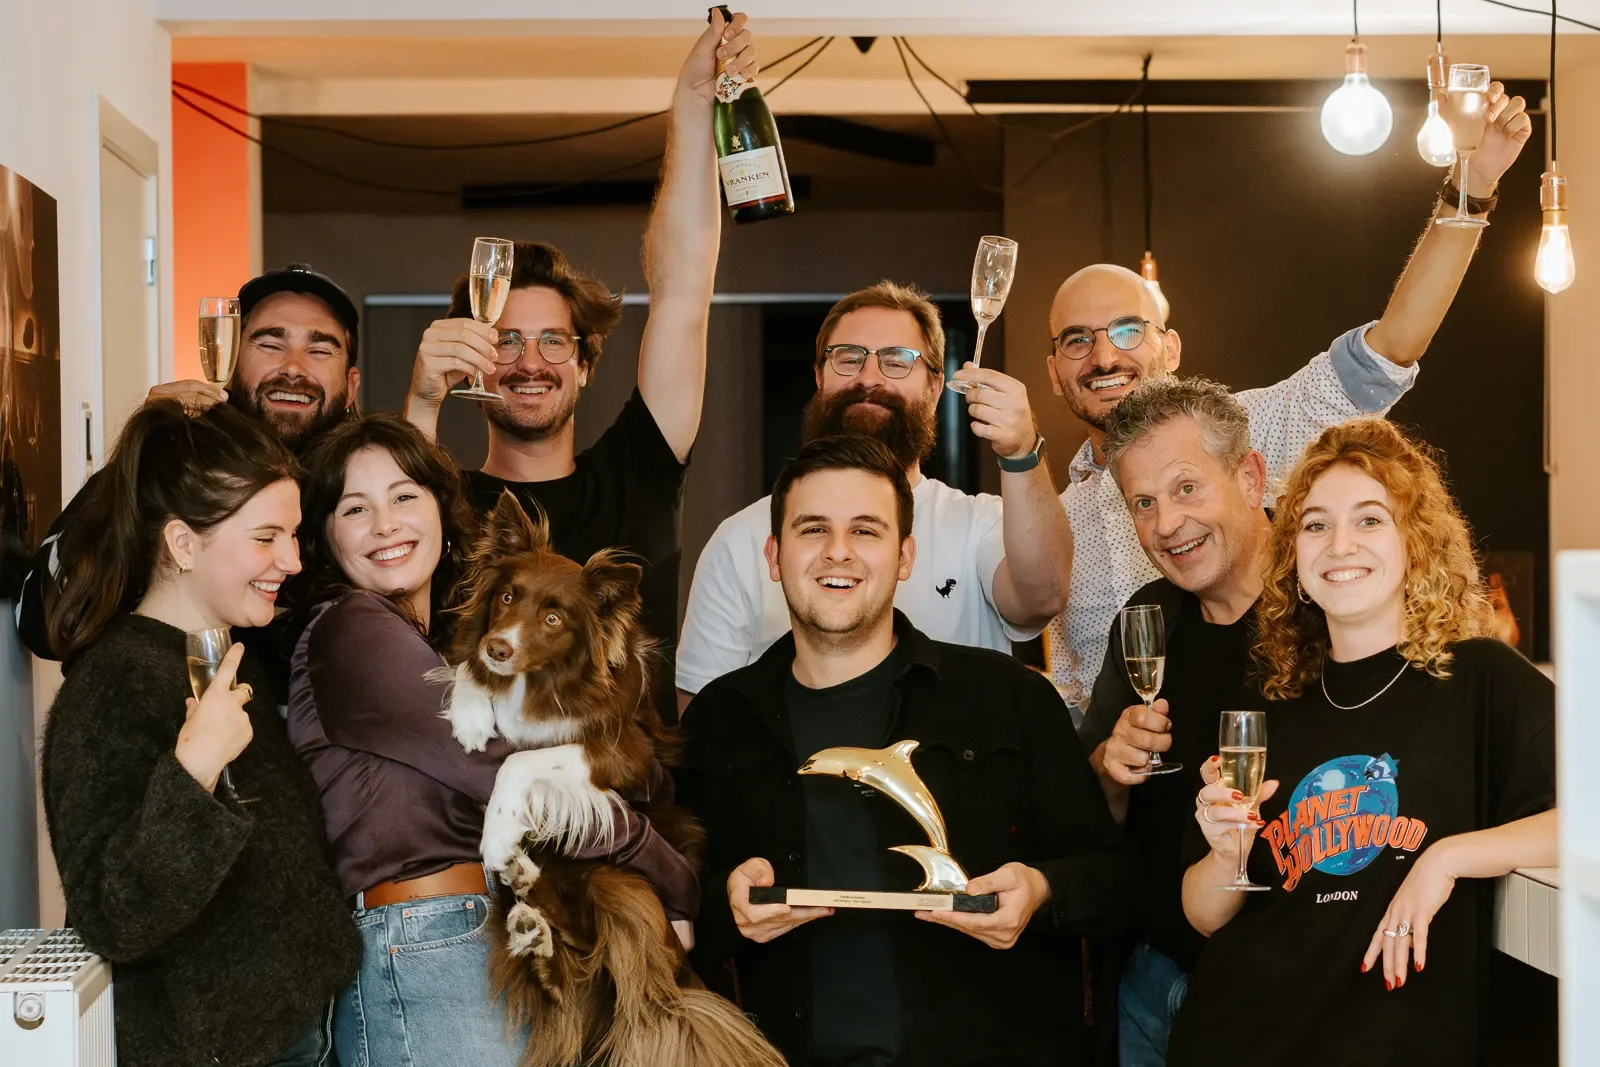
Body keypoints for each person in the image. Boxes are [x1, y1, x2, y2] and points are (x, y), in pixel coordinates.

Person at [1040, 83, 1534, 713]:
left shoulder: (1253, 427)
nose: (1105, 357)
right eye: (1078, 340)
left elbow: (1393, 346)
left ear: (1171, 349)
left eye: (1128, 331)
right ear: (1054, 372)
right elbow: (1074, 699)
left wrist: (1474, 187)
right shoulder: (1054, 523)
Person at [677, 434, 1132, 1067]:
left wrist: (1041, 889)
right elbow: (672, 911)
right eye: (813, 529)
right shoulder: (716, 721)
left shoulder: (1008, 698)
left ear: (905, 555)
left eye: (866, 530)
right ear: (774, 556)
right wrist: (727, 911)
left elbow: (1112, 877)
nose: (839, 552)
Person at [287, 412, 701, 1067]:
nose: (385, 523)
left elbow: (617, 765)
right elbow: (501, 769)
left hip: (476, 940)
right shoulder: (352, 631)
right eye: (354, 508)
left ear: (441, 512)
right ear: (326, 535)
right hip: (427, 942)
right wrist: (671, 873)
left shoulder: (441, 649)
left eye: (403, 497)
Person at [1169, 418, 1556, 1067]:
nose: (1339, 544)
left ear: (1416, 540)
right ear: (1295, 553)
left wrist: (1447, 858)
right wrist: (1222, 850)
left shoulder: (1480, 679)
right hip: (1239, 1038)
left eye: (1370, 519)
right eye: (1316, 524)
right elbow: (1204, 916)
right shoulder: (1267, 706)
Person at [402, 10, 756, 719]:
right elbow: (385, 607)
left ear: (586, 363)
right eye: (505, 340)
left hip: (628, 811)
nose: (529, 361)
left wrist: (689, 103)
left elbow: (684, 293)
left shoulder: (639, 473)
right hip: (479, 817)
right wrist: (421, 400)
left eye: (554, 341)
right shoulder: (444, 507)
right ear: (475, 357)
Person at [39, 400, 358, 1067]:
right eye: (267, 537)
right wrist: (195, 769)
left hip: (303, 1030)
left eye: (294, 535)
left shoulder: (226, 655)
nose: (293, 561)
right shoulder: (110, 685)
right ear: (183, 543)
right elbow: (113, 914)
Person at [676, 281, 1075, 711]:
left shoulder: (980, 524)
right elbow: (702, 719)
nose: (869, 377)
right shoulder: (740, 540)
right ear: (818, 377)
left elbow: (1041, 600)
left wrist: (1021, 453)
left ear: (936, 386)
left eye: (897, 361)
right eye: (848, 358)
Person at [16, 262, 362, 687]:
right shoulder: (175, 479)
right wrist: (141, 454)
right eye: (269, 343)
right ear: (231, 362)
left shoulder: (367, 492)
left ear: (352, 384)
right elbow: (41, 621)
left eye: (320, 349)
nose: (293, 367)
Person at [1077, 377, 1276, 1065]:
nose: (1165, 524)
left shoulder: (1325, 611)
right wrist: (1111, 766)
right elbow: (1089, 812)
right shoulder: (1149, 615)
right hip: (1151, 984)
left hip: (1277, 994)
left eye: (1187, 488)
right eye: (1144, 502)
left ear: (1249, 477)